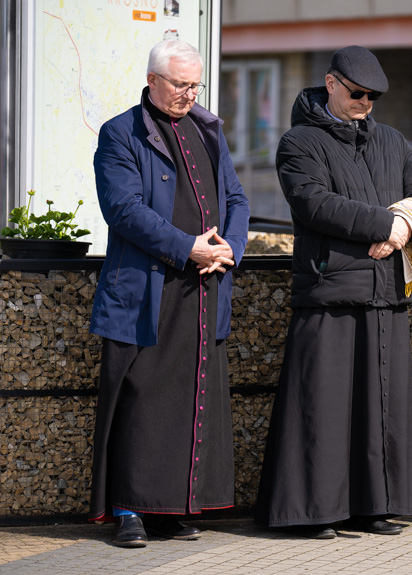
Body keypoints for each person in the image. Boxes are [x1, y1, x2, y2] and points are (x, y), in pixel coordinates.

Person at [254, 45, 412, 540]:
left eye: (373, 96)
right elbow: (314, 204)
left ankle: (373, 507)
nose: (365, 102)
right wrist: (388, 225)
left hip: (384, 293)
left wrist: (404, 221)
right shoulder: (299, 142)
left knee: (380, 406)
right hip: (329, 289)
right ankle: (311, 512)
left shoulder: (393, 141)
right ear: (331, 83)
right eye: (357, 93)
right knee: (323, 407)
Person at [88, 39, 250, 548]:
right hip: (147, 291)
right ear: (153, 80)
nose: (188, 94)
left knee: (187, 403)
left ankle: (169, 509)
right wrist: (188, 248)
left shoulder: (208, 129)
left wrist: (230, 251)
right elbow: (124, 210)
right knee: (141, 402)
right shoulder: (120, 132)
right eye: (179, 85)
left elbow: (237, 197)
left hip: (203, 289)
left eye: (195, 85)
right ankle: (129, 510)